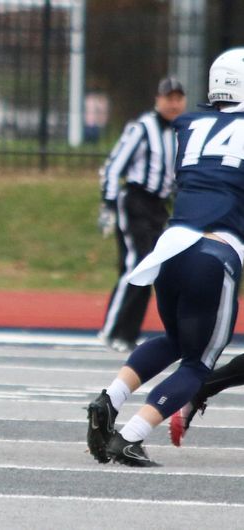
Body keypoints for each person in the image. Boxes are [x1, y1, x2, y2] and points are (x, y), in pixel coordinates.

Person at [86, 49, 244, 467]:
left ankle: (110, 397)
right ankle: (133, 435)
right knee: (199, 361)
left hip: (170, 245)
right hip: (216, 250)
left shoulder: (188, 125)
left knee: (175, 339)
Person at [97, 76, 187, 353]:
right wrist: (109, 204)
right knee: (139, 264)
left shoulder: (181, 131)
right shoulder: (142, 128)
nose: (173, 103)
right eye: (168, 98)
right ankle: (112, 331)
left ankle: (128, 332)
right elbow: (114, 167)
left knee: (152, 268)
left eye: (177, 98)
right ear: (157, 100)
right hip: (135, 201)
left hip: (158, 207)